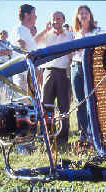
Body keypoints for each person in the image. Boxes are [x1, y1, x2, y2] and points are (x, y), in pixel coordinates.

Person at [36, 11, 73, 145]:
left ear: (63, 20)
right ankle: (47, 136)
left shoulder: (70, 35)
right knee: (46, 105)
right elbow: (33, 42)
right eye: (53, 19)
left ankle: (62, 139)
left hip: (64, 73)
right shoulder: (46, 34)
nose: (56, 21)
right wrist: (44, 29)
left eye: (58, 18)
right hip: (48, 72)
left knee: (64, 106)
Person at [71, 5, 101, 144]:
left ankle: (93, 134)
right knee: (79, 101)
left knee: (91, 99)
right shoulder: (73, 33)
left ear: (90, 15)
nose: (83, 15)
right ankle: (83, 134)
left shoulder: (97, 31)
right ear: (77, 17)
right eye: (80, 13)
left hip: (90, 67)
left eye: (85, 13)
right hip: (76, 67)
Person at [11, 4, 38, 94]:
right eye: (34, 14)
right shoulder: (19, 29)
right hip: (22, 73)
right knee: (22, 104)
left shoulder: (26, 31)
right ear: (27, 15)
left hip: (29, 73)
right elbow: (21, 44)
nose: (36, 16)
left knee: (30, 104)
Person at [0, 30, 13, 104]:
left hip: (8, 65)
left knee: (9, 85)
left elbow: (11, 52)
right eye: (2, 33)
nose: (3, 35)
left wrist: (3, 52)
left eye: (5, 34)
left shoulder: (9, 43)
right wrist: (6, 52)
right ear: (0, 34)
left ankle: (8, 103)